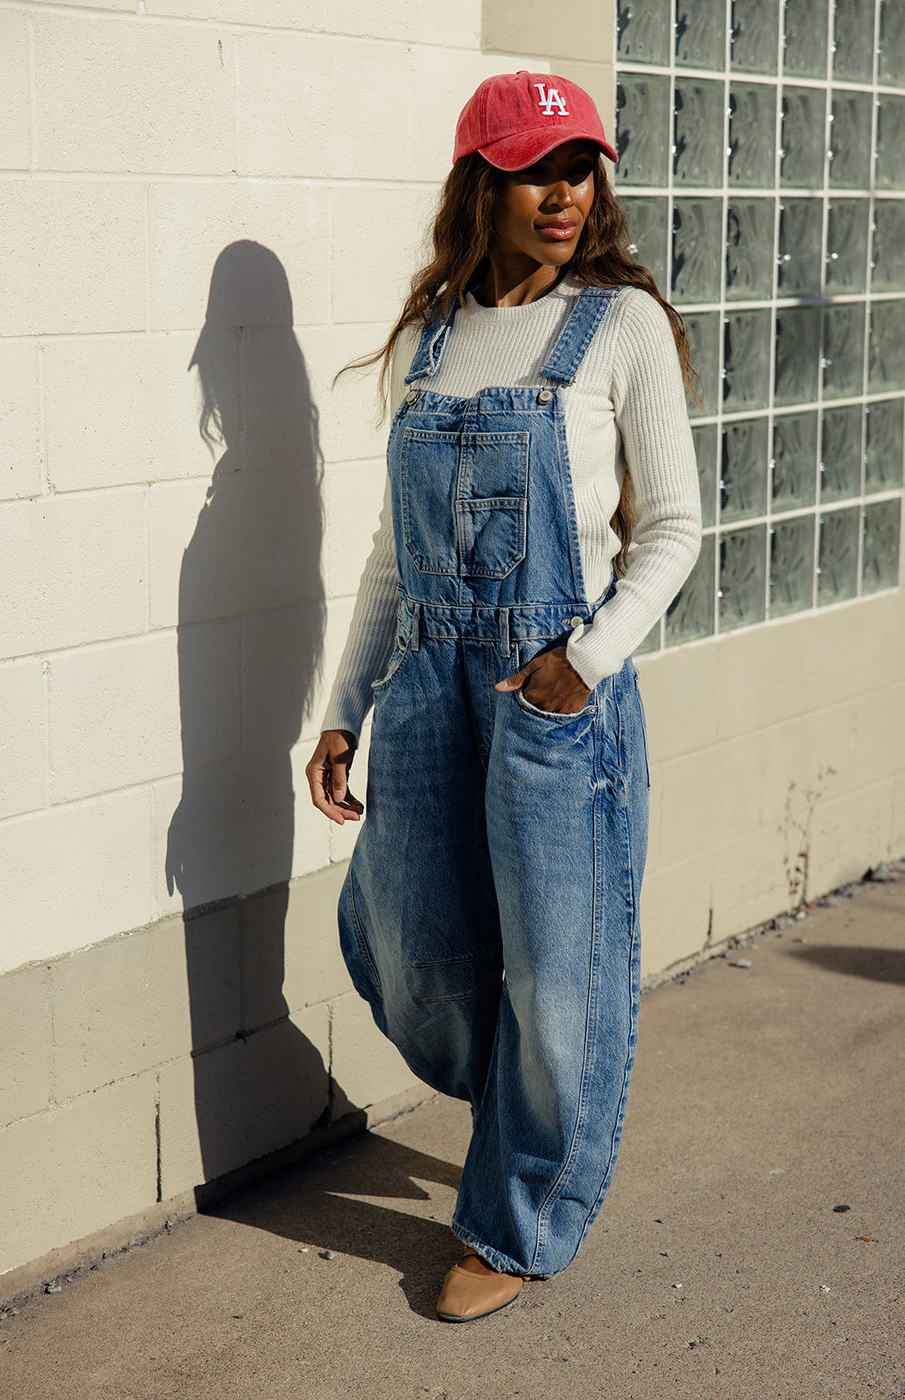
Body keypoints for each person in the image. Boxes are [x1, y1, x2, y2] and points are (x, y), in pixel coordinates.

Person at [306, 70, 702, 1322]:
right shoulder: (428, 339)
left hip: (552, 694)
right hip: (427, 681)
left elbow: (678, 530)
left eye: (581, 168)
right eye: (537, 169)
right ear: (482, 182)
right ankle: (529, 1107)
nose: (564, 195)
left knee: (558, 974)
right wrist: (344, 704)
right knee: (408, 947)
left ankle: (520, 1214)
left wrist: (574, 666)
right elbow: (389, 549)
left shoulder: (620, 326)